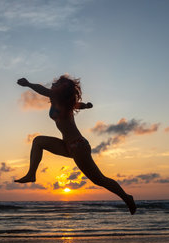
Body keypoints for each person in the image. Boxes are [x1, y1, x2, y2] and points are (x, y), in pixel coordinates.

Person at [15, 75, 136, 215]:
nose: (53, 85)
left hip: (78, 146)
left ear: (61, 88)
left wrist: (29, 84)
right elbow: (77, 105)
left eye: (56, 83)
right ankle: (31, 174)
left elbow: (42, 90)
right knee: (38, 141)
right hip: (67, 145)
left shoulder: (57, 97)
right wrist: (85, 106)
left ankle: (127, 198)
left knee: (99, 180)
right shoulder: (63, 102)